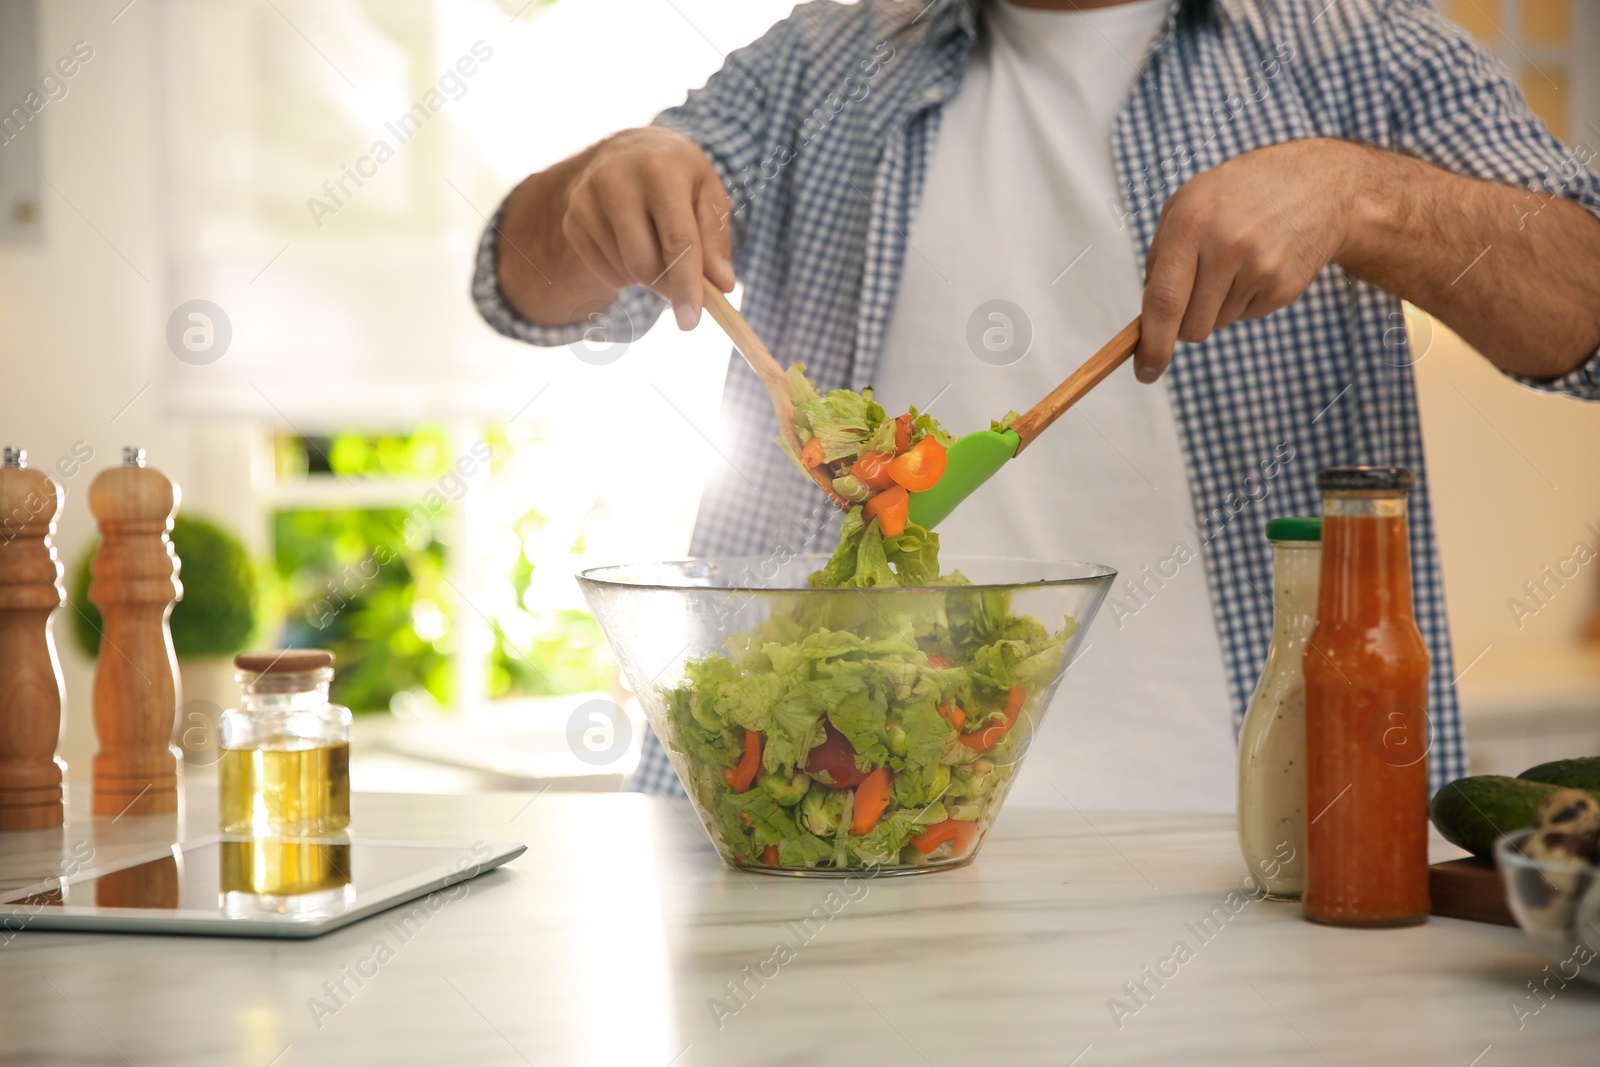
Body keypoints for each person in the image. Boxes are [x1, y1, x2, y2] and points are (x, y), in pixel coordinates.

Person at [474, 0, 1600, 808]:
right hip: (818, 848)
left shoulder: (1362, 47)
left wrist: (1365, 195)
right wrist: (603, 183)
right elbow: (525, 293)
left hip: (1263, 861)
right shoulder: (816, 61)